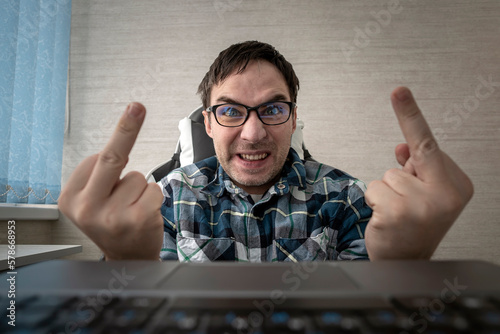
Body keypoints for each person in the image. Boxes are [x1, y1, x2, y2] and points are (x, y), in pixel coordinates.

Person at [59, 41, 474, 262]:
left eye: (273, 109)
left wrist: (405, 270)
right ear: (207, 123)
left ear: (293, 119)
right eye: (230, 111)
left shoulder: (347, 200)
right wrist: (127, 269)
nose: (253, 133)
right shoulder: (163, 199)